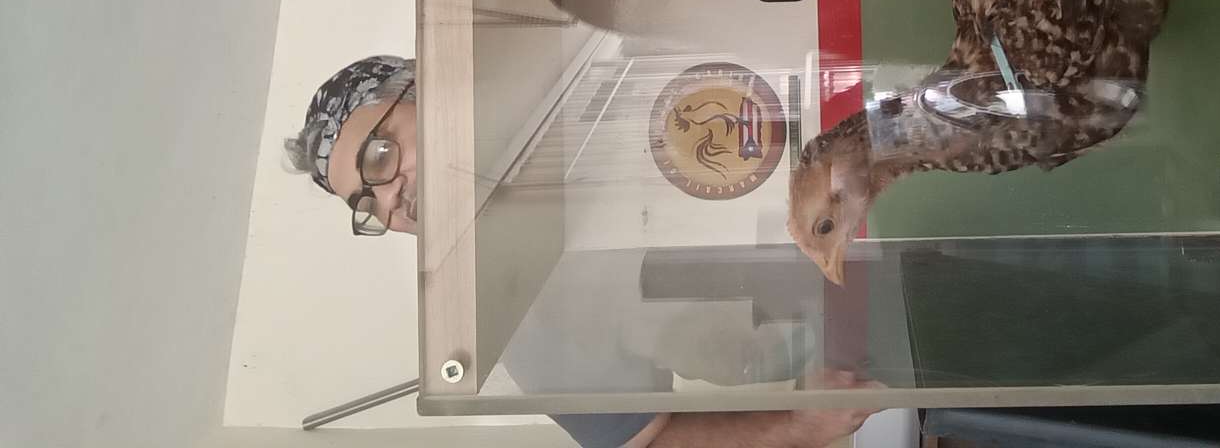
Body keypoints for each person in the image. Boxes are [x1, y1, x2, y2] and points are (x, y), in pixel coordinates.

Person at [286, 55, 882, 448]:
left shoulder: (577, 75)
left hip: (875, 145)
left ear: (428, 91)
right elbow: (645, 440)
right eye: (366, 203)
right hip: (874, 327)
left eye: (381, 155)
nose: (390, 197)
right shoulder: (510, 317)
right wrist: (800, 426)